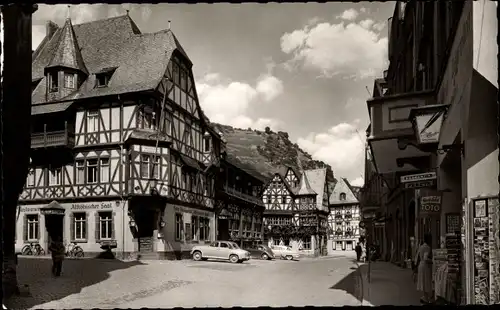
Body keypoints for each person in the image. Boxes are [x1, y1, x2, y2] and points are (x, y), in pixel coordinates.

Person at [414, 234, 433, 304]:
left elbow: (417, 257)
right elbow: (425, 258)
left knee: (423, 281)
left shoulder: (421, 246)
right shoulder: (427, 247)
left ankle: (425, 297)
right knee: (426, 281)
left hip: (420, 265)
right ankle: (426, 297)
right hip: (425, 266)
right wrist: (432, 261)